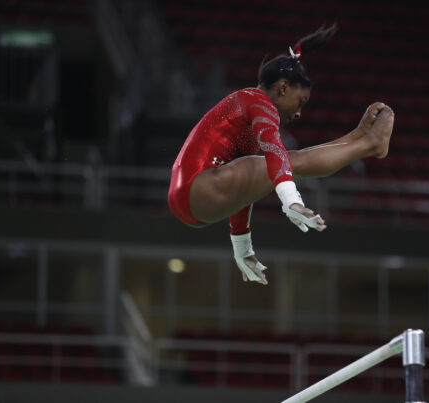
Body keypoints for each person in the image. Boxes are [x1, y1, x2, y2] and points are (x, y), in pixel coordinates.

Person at [168, 24, 394, 285]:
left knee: (284, 161)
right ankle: (370, 145)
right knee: (290, 160)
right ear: (283, 88)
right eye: (300, 102)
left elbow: (244, 188)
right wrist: (292, 202)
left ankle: (357, 139)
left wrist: (242, 248)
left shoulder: (246, 111)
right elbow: (275, 151)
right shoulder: (258, 101)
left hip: (190, 202)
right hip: (200, 190)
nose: (299, 113)